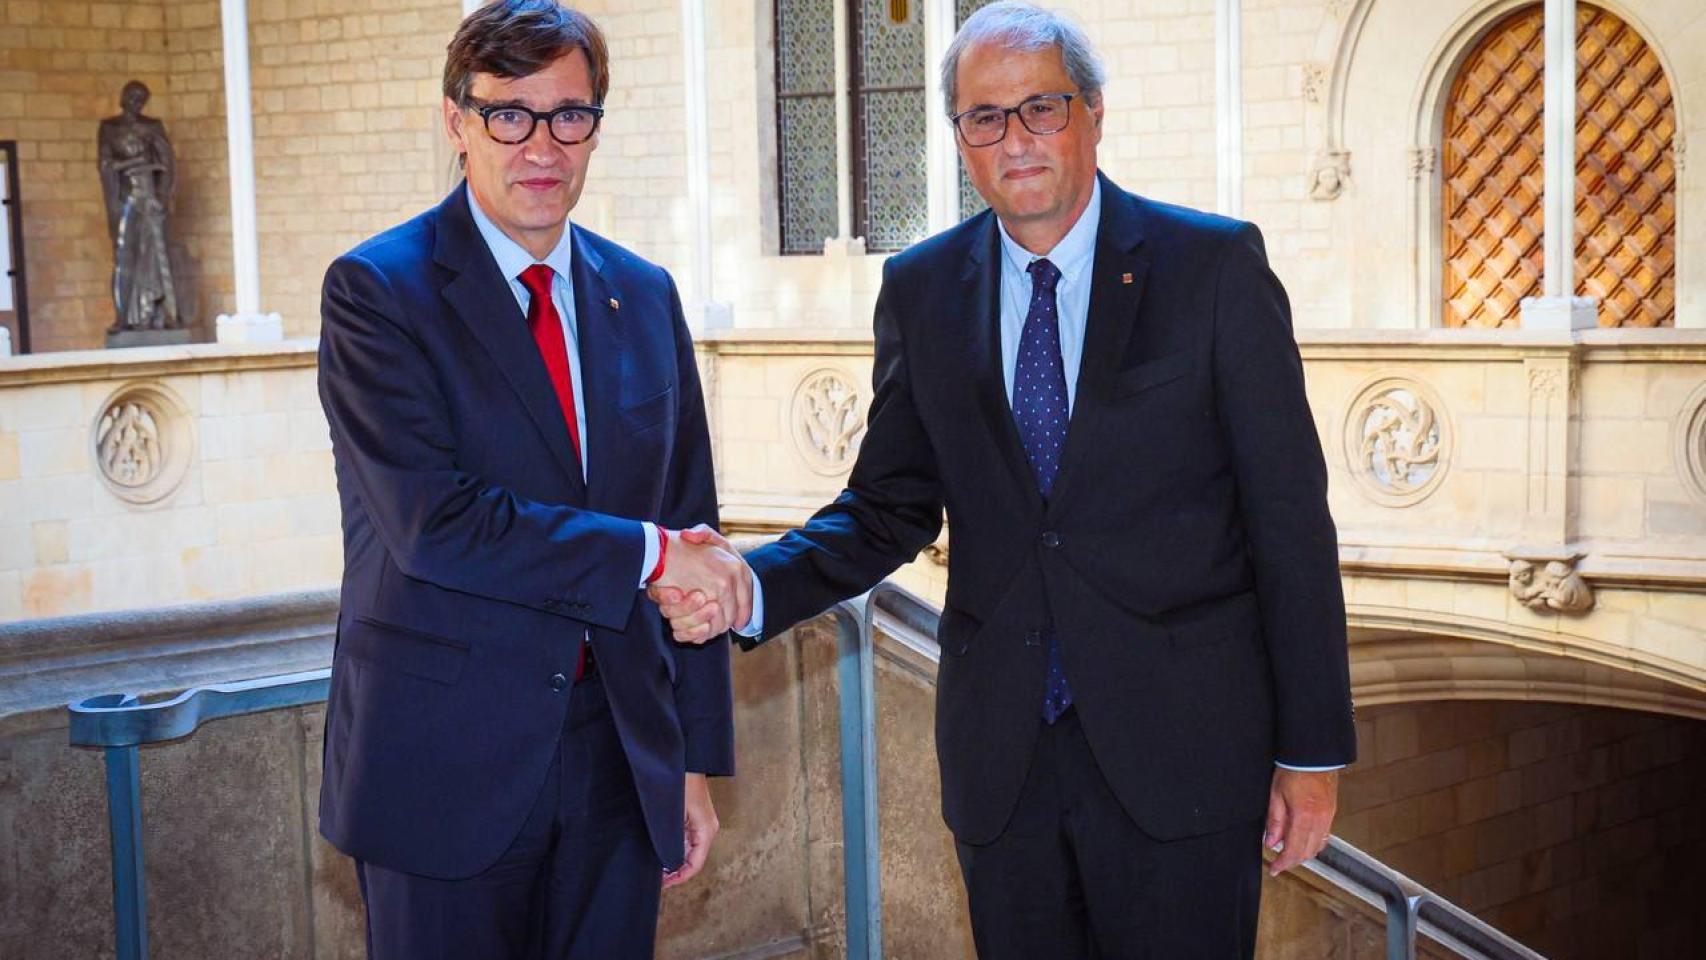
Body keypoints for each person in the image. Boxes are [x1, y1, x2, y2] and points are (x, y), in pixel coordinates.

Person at [656, 3, 1355, 957]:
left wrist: (1310, 753)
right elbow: (888, 504)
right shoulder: (923, 287)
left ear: (1094, 114)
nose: (1014, 139)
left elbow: (1289, 525)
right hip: (1005, 768)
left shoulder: (1212, 268)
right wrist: (753, 579)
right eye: (985, 118)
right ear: (959, 139)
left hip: (1183, 759)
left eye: (1041, 109)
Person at [315, 3, 750, 957]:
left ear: (597, 122)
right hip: (441, 766)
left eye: (569, 115)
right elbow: (436, 523)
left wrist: (691, 762)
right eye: (507, 113)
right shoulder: (377, 292)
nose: (540, 145)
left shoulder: (643, 294)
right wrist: (649, 554)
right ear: (455, 121)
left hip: (618, 756)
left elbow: (694, 527)